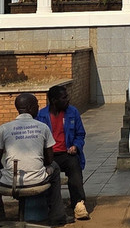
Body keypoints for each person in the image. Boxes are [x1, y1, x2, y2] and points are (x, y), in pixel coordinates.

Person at [0, 92, 66, 228]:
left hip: (10, 183)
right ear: (30, 107)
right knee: (55, 168)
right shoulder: (43, 127)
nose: (39, 108)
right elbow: (50, 159)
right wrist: (37, 166)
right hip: (39, 181)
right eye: (37, 105)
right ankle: (57, 216)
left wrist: (4, 174)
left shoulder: (4, 128)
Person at [37, 84, 90, 220]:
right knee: (46, 173)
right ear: (54, 101)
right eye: (64, 98)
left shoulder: (73, 112)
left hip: (67, 153)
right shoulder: (41, 116)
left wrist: (76, 146)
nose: (68, 100)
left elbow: (80, 134)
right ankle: (49, 206)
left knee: (75, 167)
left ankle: (78, 204)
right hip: (48, 156)